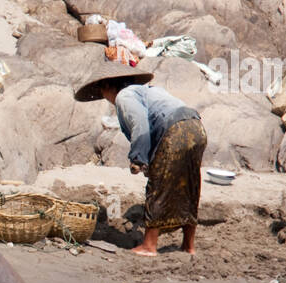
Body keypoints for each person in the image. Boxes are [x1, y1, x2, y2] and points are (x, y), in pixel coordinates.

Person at [74, 63, 207, 256]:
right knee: (189, 185)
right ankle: (188, 246)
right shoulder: (145, 91)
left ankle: (149, 246)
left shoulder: (124, 96)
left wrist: (138, 159)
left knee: (158, 186)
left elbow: (141, 125)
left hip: (176, 130)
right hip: (196, 127)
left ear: (108, 86)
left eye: (102, 92)